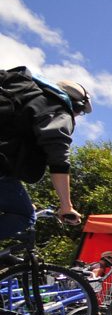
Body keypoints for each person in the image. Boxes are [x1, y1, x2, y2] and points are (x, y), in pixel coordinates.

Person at [0, 67, 90, 240]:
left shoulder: (23, 94)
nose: (78, 116)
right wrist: (66, 206)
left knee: (22, 207)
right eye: (81, 112)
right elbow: (59, 159)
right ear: (77, 105)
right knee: (25, 215)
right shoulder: (58, 110)